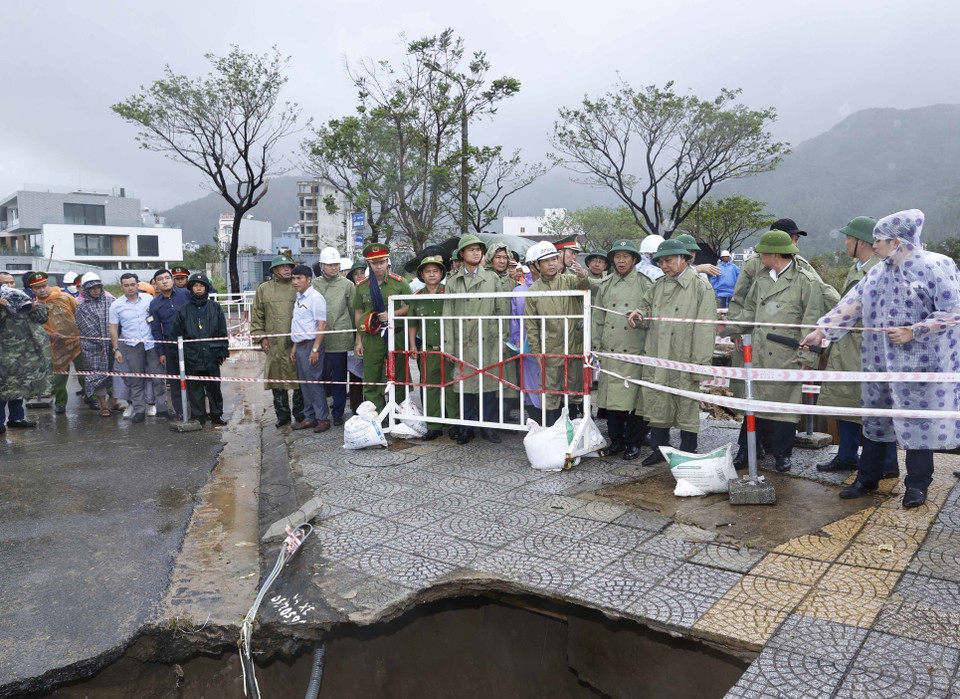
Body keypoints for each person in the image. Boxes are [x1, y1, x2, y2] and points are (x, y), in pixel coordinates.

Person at [803, 209, 960, 509]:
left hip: (920, 366)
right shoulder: (878, 271)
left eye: (879, 240)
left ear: (897, 241)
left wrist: (915, 332)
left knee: (919, 427)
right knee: (875, 423)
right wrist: (821, 331)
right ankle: (867, 478)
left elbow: (953, 313)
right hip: (879, 363)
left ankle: (917, 485)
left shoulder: (936, 266)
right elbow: (851, 304)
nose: (873, 245)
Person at [723, 230, 825, 472]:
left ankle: (782, 454)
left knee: (784, 410)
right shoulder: (761, 280)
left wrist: (808, 356)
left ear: (774, 254)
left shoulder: (805, 281)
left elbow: (811, 321)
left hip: (786, 354)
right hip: (758, 353)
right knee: (753, 405)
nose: (759, 256)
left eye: (762, 253)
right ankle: (746, 450)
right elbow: (748, 311)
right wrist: (729, 328)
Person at [813, 217, 897, 477]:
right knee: (844, 402)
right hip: (846, 348)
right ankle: (847, 455)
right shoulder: (857, 268)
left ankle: (887, 463)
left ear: (862, 241)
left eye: (849, 238)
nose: (846, 242)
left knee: (875, 409)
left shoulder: (880, 269)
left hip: (866, 349)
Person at [630, 238, 717, 462]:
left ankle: (689, 450)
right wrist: (638, 316)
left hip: (685, 355)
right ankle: (659, 449)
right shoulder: (658, 285)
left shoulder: (700, 287)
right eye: (660, 262)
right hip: (659, 353)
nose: (664, 266)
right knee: (658, 401)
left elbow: (706, 329)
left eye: (668, 261)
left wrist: (699, 364)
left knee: (686, 403)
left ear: (683, 258)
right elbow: (646, 310)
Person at [443, 235, 509, 443]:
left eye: (478, 249)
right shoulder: (453, 281)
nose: (475, 252)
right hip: (463, 341)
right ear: (461, 254)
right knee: (465, 387)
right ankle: (466, 427)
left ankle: (488, 427)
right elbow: (447, 316)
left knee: (488, 387)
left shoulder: (492, 278)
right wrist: (449, 346)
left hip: (487, 339)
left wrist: (502, 339)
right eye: (470, 249)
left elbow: (502, 311)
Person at [593, 240, 653, 459]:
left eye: (625, 256)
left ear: (634, 259)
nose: (620, 260)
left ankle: (633, 442)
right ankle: (616, 440)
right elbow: (598, 317)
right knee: (612, 401)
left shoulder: (645, 283)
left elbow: (650, 314)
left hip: (634, 350)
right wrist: (596, 344)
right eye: (617, 256)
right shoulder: (606, 284)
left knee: (635, 401)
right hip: (611, 350)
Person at [525, 241, 592, 426]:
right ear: (537, 265)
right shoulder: (533, 292)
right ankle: (552, 430)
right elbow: (531, 324)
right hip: (550, 348)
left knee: (574, 390)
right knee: (550, 391)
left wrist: (583, 275)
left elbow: (587, 287)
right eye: (546, 261)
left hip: (574, 346)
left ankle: (573, 430)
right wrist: (536, 351)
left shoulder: (569, 280)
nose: (551, 264)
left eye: (554, 259)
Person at [352, 243, 410, 413]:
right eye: (374, 263)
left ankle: (400, 415)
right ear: (368, 264)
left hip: (396, 335)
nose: (379, 266)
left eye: (382, 262)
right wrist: (359, 341)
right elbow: (359, 313)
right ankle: (375, 416)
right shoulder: (362, 286)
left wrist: (392, 314)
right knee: (372, 378)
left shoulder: (399, 282)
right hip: (372, 337)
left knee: (399, 377)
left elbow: (409, 307)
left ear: (387, 262)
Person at [407, 256, 459, 440]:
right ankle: (434, 424)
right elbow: (412, 323)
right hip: (428, 349)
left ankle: (454, 424)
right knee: (430, 387)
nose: (431, 274)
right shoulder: (417, 297)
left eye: (435, 271)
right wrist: (413, 345)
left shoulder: (449, 293)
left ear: (441, 273)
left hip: (449, 349)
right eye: (428, 271)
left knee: (452, 386)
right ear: (422, 274)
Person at [251, 254, 304, 428]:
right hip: (274, 343)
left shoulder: (299, 287)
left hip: (296, 341)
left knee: (299, 381)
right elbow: (257, 315)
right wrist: (261, 337)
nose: (287, 269)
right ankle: (282, 415)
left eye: (289, 266)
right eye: (282, 267)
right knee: (277, 381)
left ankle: (300, 414)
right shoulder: (264, 289)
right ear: (274, 270)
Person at [109, 273, 170, 423]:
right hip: (132, 345)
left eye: (132, 284)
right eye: (126, 285)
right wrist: (116, 349)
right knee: (136, 380)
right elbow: (113, 328)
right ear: (121, 287)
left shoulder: (149, 300)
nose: (130, 288)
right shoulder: (116, 305)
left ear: (137, 285)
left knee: (158, 378)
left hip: (151, 344)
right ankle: (139, 411)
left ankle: (162, 409)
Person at [170, 273, 229, 426]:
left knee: (214, 388)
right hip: (191, 356)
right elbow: (176, 335)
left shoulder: (215, 308)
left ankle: (216, 415)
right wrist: (179, 356)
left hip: (212, 354)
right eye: (195, 286)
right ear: (191, 288)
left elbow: (222, 331)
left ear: (206, 289)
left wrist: (223, 351)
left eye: (201, 286)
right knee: (195, 389)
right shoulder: (183, 310)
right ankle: (198, 416)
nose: (198, 288)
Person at [25, 271, 84, 414]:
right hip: (55, 347)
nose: (42, 290)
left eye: (44, 286)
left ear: (48, 285)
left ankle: (91, 397)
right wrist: (49, 335)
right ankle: (61, 403)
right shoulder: (34, 307)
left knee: (84, 374)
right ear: (32, 290)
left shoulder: (65, 297)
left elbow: (81, 315)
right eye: (37, 288)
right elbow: (34, 328)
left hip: (77, 343)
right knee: (58, 379)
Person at [0, 272, 49, 431]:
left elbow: (43, 317)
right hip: (3, 356)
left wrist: (33, 307)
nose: (9, 286)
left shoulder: (22, 298)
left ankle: (17, 418)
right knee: (3, 389)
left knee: (19, 386)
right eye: (5, 283)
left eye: (12, 282)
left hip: (24, 354)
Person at [312, 248, 354, 426]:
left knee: (339, 379)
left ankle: (338, 412)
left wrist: (355, 336)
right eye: (330, 265)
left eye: (336, 264)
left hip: (340, 338)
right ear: (321, 265)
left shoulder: (347, 285)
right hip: (319, 340)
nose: (334, 268)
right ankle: (319, 414)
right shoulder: (314, 284)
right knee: (318, 379)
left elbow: (353, 310)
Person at [289, 265, 330, 432]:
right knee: (304, 384)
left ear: (309, 280)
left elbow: (322, 324)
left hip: (311, 345)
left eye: (299, 278)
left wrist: (315, 349)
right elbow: (298, 324)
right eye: (293, 278)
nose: (295, 282)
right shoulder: (299, 298)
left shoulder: (315, 298)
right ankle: (309, 417)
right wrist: (294, 347)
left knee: (314, 383)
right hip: (300, 345)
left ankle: (323, 419)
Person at [149, 268, 191, 420]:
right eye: (160, 279)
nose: (164, 281)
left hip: (190, 342)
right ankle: (180, 412)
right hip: (170, 344)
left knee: (193, 379)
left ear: (172, 280)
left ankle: (197, 411)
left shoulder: (186, 295)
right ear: (156, 284)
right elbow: (155, 330)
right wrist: (161, 352)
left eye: (167, 278)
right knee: (175, 382)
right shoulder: (154, 304)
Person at [74, 273, 116, 417]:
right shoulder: (82, 307)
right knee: (97, 376)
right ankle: (103, 405)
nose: (96, 290)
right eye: (92, 288)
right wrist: (102, 344)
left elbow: (117, 324)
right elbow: (87, 329)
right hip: (93, 349)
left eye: (98, 287)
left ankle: (114, 401)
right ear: (86, 289)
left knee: (114, 374)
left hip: (112, 346)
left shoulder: (111, 301)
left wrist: (112, 344)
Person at [512, 253, 542, 420]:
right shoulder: (519, 290)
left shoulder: (554, 286)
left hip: (552, 343)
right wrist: (516, 339)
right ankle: (535, 418)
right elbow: (514, 318)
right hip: (526, 344)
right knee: (529, 381)